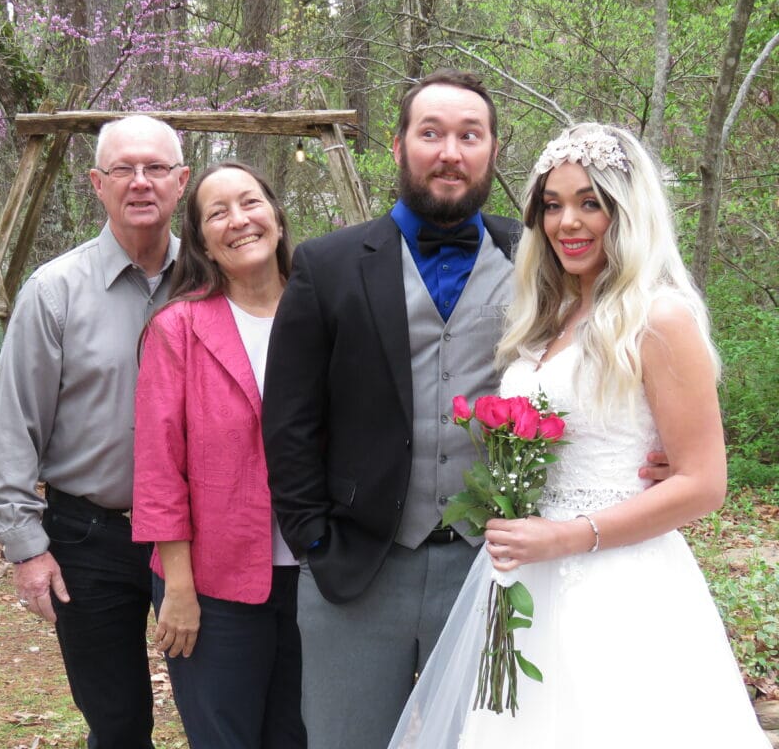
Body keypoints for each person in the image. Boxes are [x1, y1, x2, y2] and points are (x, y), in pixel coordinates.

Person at [261, 70, 669, 749]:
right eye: (431, 133)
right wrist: (314, 541)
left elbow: (612, 359)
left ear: (493, 151)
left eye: (469, 135)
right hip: (358, 569)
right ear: (398, 147)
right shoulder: (325, 264)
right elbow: (289, 423)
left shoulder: (543, 260)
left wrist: (644, 456)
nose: (450, 151)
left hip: (498, 566)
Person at [386, 123, 771, 749]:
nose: (569, 221)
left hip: (618, 584)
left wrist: (567, 536)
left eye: (590, 202)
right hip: (523, 581)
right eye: (553, 204)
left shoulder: (659, 317)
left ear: (627, 209)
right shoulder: (550, 318)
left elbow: (705, 483)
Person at [0, 114, 190, 749]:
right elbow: (15, 425)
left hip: (197, 538)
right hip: (91, 535)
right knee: (118, 723)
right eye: (123, 169)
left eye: (156, 168)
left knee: (220, 710)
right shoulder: (54, 292)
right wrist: (26, 547)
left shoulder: (212, 284)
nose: (140, 182)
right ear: (96, 184)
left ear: (182, 182)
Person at [132, 162, 307, 749]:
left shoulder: (324, 311)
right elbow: (159, 470)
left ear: (276, 215)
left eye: (250, 202)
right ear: (202, 238)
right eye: (218, 212)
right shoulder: (177, 329)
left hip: (321, 579)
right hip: (214, 584)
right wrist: (178, 588)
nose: (240, 221)